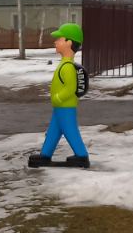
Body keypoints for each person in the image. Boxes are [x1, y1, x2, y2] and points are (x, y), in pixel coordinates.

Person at [28, 23, 89, 168]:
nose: (55, 42)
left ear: (69, 42)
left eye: (59, 39)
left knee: (70, 130)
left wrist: (58, 97)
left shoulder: (67, 67)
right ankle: (45, 154)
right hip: (60, 107)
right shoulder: (65, 64)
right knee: (53, 132)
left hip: (65, 106)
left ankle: (81, 155)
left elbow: (70, 88)